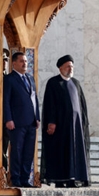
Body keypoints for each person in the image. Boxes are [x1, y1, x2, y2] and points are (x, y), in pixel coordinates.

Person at [40, 55, 91, 188]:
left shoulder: (76, 83)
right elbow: (50, 104)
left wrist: (84, 123)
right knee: (62, 151)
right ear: (60, 67)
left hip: (76, 126)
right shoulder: (53, 82)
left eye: (72, 66)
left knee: (76, 151)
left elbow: (82, 105)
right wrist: (51, 122)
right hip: (60, 126)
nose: (70, 69)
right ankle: (61, 178)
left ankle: (75, 177)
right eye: (68, 66)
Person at [3, 51, 40, 188]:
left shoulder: (30, 78)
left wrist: (37, 117)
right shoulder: (9, 79)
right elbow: (6, 101)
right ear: (14, 63)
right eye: (21, 61)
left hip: (31, 122)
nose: (25, 63)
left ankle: (25, 179)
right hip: (17, 122)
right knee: (17, 151)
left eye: (25, 61)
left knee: (28, 152)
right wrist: (8, 119)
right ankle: (16, 178)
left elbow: (34, 98)